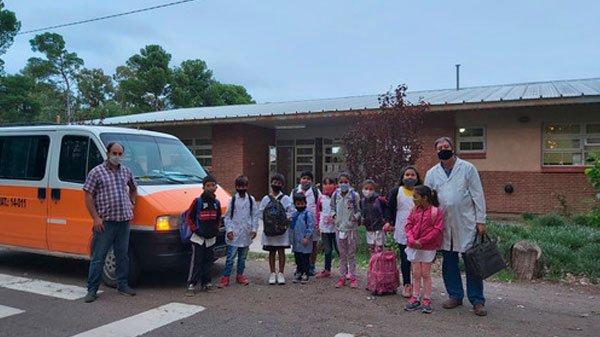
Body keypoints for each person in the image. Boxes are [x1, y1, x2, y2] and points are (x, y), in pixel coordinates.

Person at [424, 136, 488, 316]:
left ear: (453, 148)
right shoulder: (432, 173)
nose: (443, 149)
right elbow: (427, 199)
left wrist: (480, 220)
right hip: (443, 224)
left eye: (446, 146)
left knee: (471, 261)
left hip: (465, 222)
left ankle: (477, 300)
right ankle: (455, 295)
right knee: (449, 261)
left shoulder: (467, 169)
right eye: (439, 148)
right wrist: (428, 222)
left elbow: (478, 195)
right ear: (436, 152)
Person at [83, 142, 138, 303]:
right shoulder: (96, 172)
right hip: (105, 222)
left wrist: (131, 203)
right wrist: (95, 217)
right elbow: (88, 195)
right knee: (98, 257)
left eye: (120, 154)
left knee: (122, 255)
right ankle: (92, 289)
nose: (117, 157)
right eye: (114, 153)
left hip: (123, 221)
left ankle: (122, 285)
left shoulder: (126, 171)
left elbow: (134, 188)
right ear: (107, 154)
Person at [403, 185, 444, 314]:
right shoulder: (414, 210)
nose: (413, 199)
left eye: (415, 197)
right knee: (415, 273)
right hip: (413, 246)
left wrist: (422, 241)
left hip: (427, 247)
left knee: (426, 274)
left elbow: (437, 229)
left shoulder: (435, 212)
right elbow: (408, 225)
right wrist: (411, 240)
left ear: (424, 198)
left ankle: (426, 298)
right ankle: (415, 297)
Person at [383, 165, 422, 298]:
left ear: (417, 178)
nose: (410, 177)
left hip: (419, 228)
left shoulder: (421, 191)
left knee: (418, 260)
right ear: (402, 177)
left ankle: (418, 285)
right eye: (407, 175)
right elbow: (389, 208)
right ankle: (407, 284)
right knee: (405, 259)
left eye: (412, 175)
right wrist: (388, 221)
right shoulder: (396, 191)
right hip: (402, 228)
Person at [217, 176, 259, 288]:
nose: (242, 188)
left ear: (247, 186)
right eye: (240, 186)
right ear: (236, 187)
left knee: (242, 257)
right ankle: (226, 277)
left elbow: (255, 216)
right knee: (230, 257)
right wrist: (229, 230)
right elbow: (227, 217)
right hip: (234, 234)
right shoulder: (232, 200)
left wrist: (254, 229)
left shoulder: (251, 200)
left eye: (244, 186)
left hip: (246, 233)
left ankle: (240, 275)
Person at [185, 175, 222, 296]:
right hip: (198, 238)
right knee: (197, 261)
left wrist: (216, 230)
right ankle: (192, 284)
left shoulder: (217, 203)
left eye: (213, 185)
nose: (210, 188)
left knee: (208, 261)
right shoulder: (197, 202)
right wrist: (196, 230)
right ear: (203, 187)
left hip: (210, 238)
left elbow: (218, 219)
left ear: (216, 187)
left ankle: (207, 283)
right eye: (208, 185)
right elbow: (189, 217)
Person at [260, 174, 295, 285]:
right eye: (274, 183)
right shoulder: (266, 199)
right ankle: (272, 273)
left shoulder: (285, 199)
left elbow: (291, 211)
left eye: (278, 183)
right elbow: (260, 212)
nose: (276, 185)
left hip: (282, 232)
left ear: (283, 185)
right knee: (271, 251)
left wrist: (285, 222)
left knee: (281, 251)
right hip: (269, 231)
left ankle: (281, 273)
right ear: (271, 183)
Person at [331, 172, 361, 288]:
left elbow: (359, 210)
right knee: (342, 254)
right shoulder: (335, 195)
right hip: (339, 228)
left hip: (351, 229)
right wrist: (334, 215)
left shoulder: (354, 196)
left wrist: (355, 217)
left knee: (351, 254)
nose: (343, 184)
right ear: (338, 184)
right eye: (341, 182)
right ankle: (342, 277)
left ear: (350, 183)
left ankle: (353, 277)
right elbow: (332, 207)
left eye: (345, 182)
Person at [290, 170, 321, 276]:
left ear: (311, 181)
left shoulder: (316, 192)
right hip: (299, 224)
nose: (306, 181)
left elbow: (320, 207)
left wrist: (319, 223)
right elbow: (290, 207)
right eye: (304, 178)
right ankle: (300, 267)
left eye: (308, 179)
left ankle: (311, 265)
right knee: (299, 245)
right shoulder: (294, 191)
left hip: (312, 224)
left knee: (313, 244)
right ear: (300, 179)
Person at [289, 193, 315, 284]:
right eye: (298, 204)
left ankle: (305, 273)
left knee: (305, 258)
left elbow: (311, 227)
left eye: (302, 204)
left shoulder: (307, 215)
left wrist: (307, 237)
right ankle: (299, 272)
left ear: (305, 203)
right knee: (298, 258)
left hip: (305, 242)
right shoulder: (295, 215)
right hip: (297, 243)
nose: (300, 206)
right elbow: (291, 228)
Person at [315, 177, 338, 278]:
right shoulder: (321, 198)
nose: (327, 186)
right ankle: (327, 269)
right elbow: (318, 212)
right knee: (327, 249)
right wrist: (317, 225)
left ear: (335, 185)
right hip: (324, 227)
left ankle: (346, 269)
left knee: (339, 248)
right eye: (325, 184)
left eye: (330, 184)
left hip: (337, 227)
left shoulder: (338, 196)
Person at [360, 179, 388, 256]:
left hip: (379, 228)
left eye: (370, 189)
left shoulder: (379, 200)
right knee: (371, 249)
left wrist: (387, 222)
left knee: (379, 249)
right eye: (366, 189)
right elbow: (361, 213)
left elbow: (387, 210)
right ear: (362, 189)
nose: (368, 191)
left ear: (374, 190)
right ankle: (374, 265)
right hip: (369, 228)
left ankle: (381, 265)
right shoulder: (362, 202)